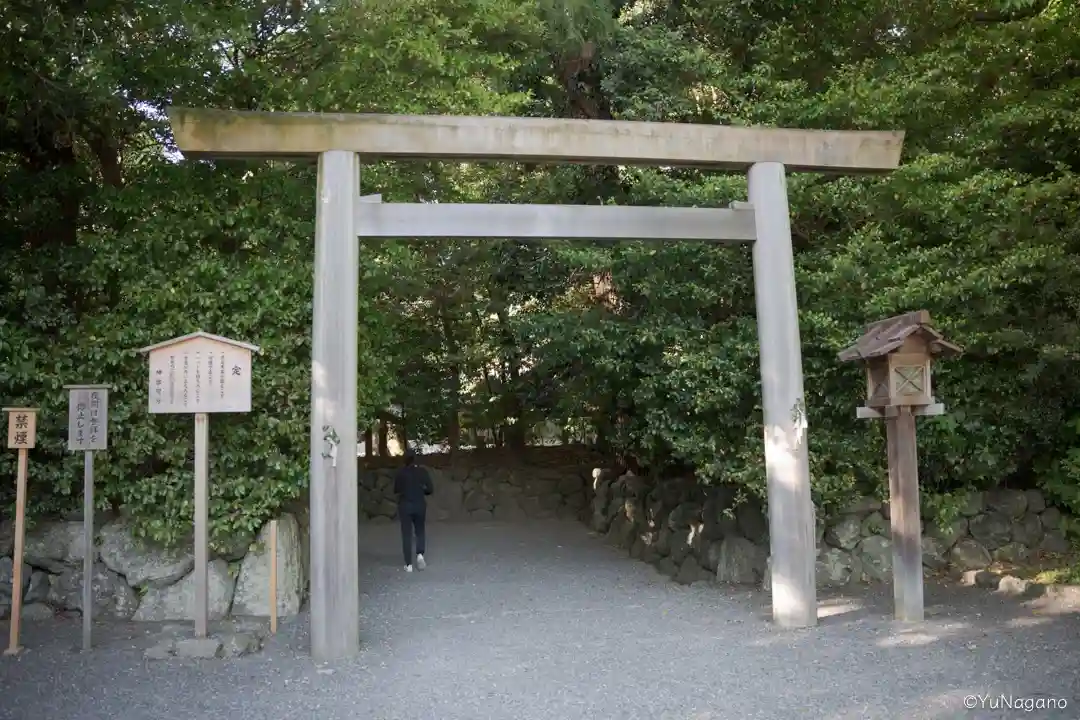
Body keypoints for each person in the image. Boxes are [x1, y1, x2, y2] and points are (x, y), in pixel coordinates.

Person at [393, 448, 433, 572]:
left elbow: (396, 490)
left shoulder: (400, 473)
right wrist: (422, 490)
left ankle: (408, 564)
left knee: (406, 534)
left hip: (405, 505)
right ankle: (420, 555)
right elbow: (430, 489)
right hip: (419, 504)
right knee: (420, 530)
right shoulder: (422, 472)